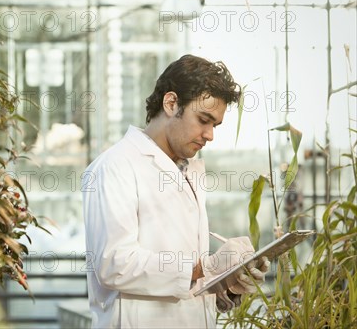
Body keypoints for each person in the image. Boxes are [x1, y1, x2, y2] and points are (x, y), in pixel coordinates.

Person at [82, 55, 270, 328]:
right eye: (203, 119)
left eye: (214, 125)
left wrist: (228, 283)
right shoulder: (114, 167)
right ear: (171, 103)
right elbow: (114, 265)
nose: (210, 135)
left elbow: (184, 285)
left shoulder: (189, 170)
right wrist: (205, 267)